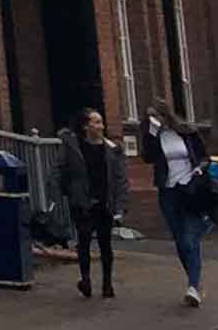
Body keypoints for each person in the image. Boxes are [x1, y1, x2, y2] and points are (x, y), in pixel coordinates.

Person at [139, 103, 212, 307]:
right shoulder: (154, 137)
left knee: (190, 240)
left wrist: (198, 170)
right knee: (180, 240)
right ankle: (195, 284)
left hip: (190, 189)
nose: (154, 120)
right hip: (168, 192)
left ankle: (194, 285)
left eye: (156, 116)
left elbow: (204, 157)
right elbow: (148, 158)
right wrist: (151, 134)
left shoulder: (186, 132)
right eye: (149, 117)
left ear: (165, 115)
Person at [56, 107, 129, 299]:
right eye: (96, 122)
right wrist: (68, 192)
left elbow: (120, 178)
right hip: (83, 202)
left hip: (105, 201)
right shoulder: (73, 147)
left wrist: (120, 205)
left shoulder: (111, 149)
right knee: (84, 240)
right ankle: (86, 280)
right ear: (86, 126)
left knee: (106, 244)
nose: (101, 126)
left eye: (101, 122)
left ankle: (107, 284)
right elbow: (61, 170)